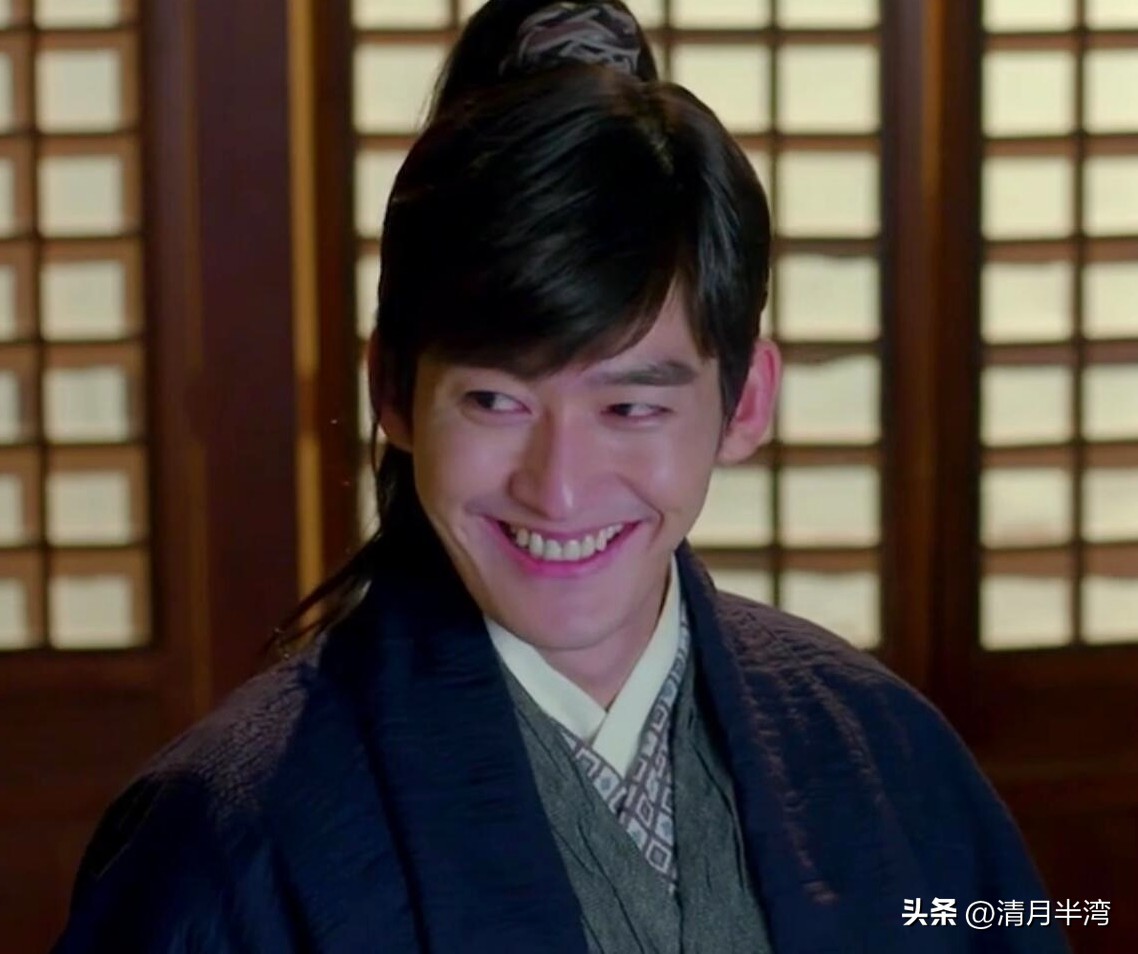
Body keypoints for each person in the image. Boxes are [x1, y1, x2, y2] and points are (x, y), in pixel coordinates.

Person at [53, 2, 1071, 952]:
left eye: (630, 407)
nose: (561, 488)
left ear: (746, 401)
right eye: (497, 401)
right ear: (393, 392)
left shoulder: (885, 755)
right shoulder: (228, 833)